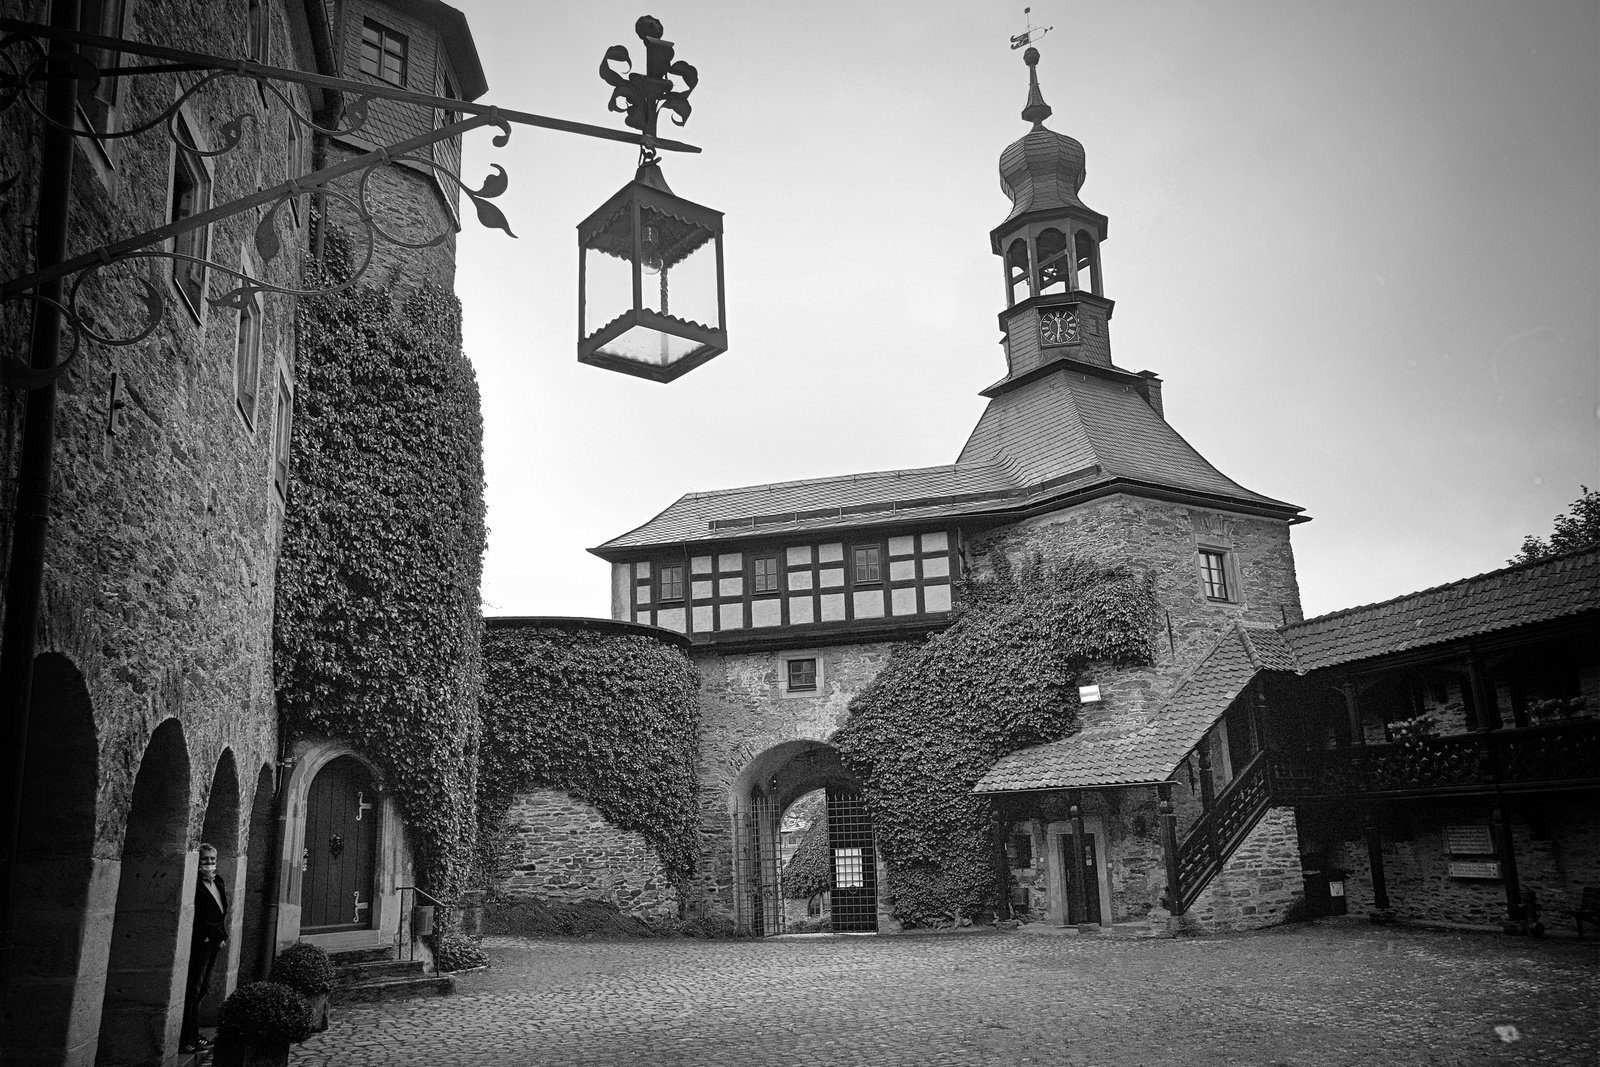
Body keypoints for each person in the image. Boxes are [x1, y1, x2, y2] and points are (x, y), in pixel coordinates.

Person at [180, 843, 229, 1054]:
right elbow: (199, 916)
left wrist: (221, 935)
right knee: (192, 990)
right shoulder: (195, 885)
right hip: (201, 943)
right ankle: (186, 1038)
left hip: (214, 943)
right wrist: (211, 935)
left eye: (212, 859)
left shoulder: (217, 881)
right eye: (204, 860)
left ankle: (196, 1033)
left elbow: (219, 914)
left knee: (203, 990)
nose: (209, 863)